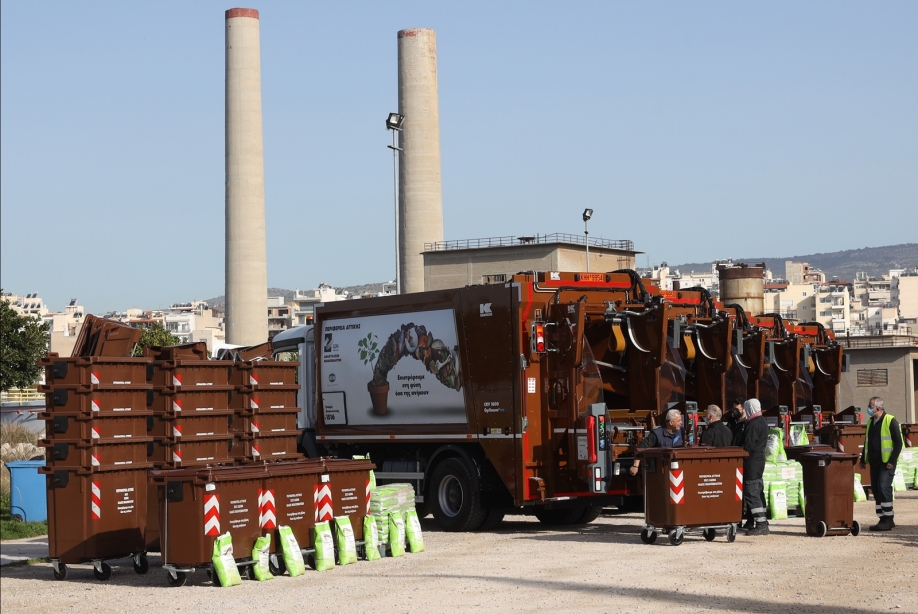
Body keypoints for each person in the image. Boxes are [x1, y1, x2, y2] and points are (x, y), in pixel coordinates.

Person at [859, 396, 903, 531]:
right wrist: (863, 459)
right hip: (875, 462)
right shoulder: (871, 422)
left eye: (870, 406)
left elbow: (898, 443)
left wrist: (892, 460)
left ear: (877, 408)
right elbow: (867, 442)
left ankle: (889, 519)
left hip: (886, 463)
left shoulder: (890, 421)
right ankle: (882, 518)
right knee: (876, 489)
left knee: (883, 487)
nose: (868, 408)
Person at [735, 398, 769, 535]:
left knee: (751, 492)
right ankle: (763, 521)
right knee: (758, 492)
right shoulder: (762, 421)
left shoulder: (753, 424)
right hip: (759, 461)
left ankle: (761, 525)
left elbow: (749, 445)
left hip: (752, 463)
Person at [629, 409, 685, 476]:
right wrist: (635, 466)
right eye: (679, 421)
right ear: (671, 423)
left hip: (678, 471)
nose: (681, 423)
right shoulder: (657, 434)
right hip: (662, 472)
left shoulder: (681, 432)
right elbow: (640, 448)